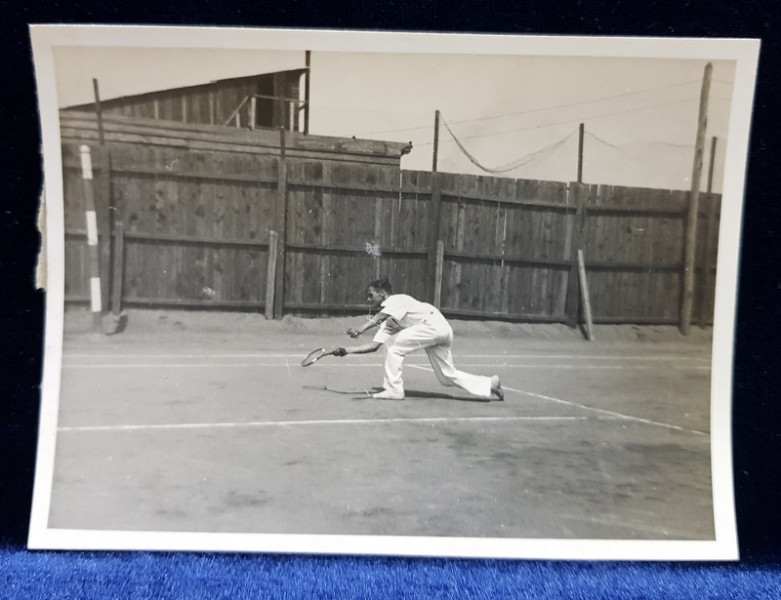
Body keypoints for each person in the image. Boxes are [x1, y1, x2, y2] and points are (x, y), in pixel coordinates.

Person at [332, 279, 503, 401]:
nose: (368, 300)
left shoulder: (396, 300)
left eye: (371, 295)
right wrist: (347, 350)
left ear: (382, 294)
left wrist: (361, 328)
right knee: (445, 377)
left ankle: (393, 390)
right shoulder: (389, 320)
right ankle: (490, 383)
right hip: (439, 331)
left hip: (433, 325)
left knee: (393, 345)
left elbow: (381, 316)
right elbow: (374, 345)